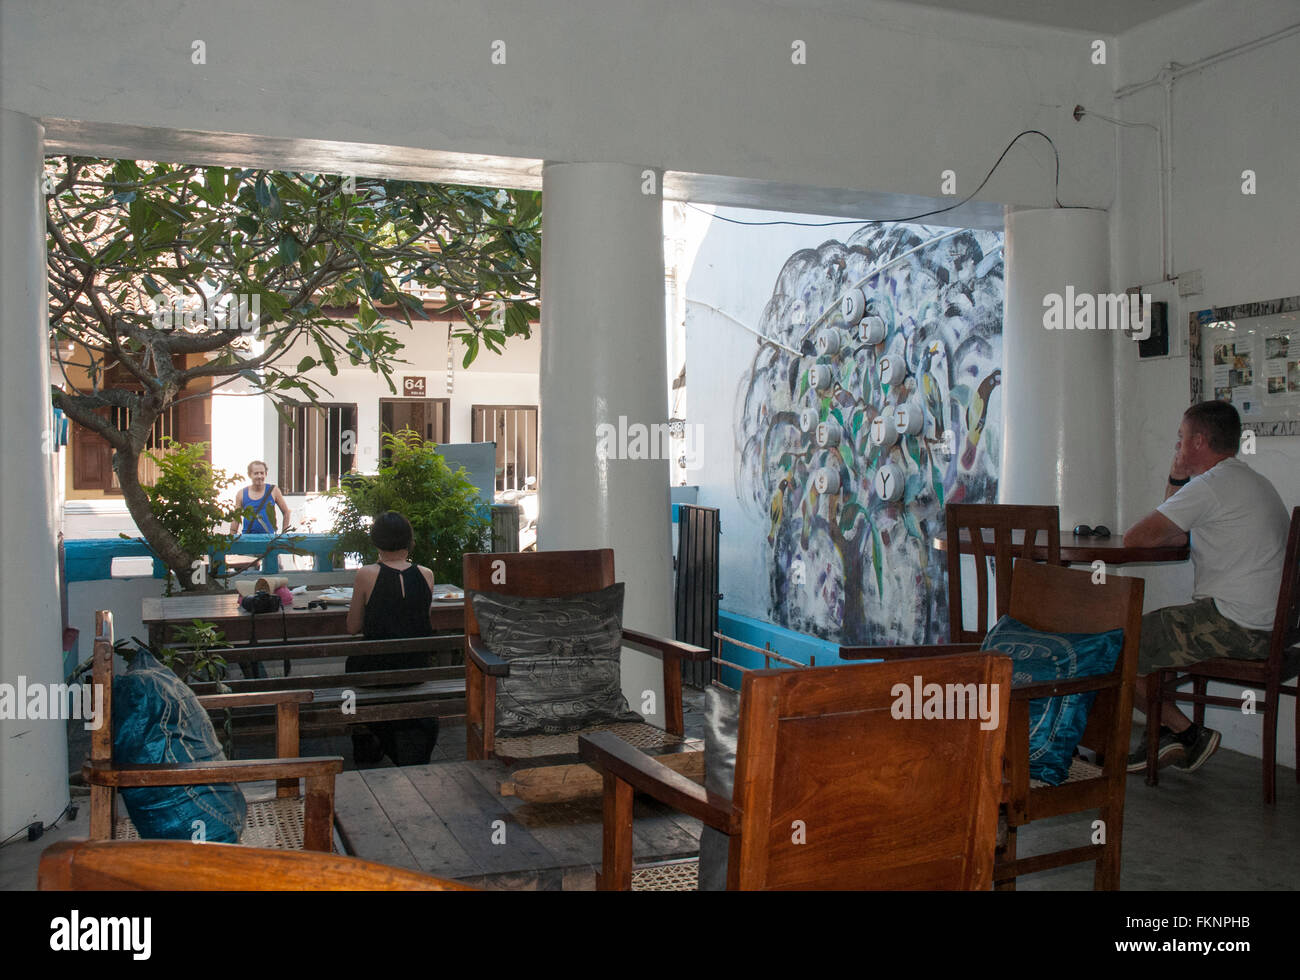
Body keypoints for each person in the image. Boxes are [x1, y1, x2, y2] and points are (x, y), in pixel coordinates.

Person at [1122, 401, 1289, 774]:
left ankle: (1186, 733)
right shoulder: (1248, 480)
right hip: (1271, 627)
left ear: (1199, 441)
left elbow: (1139, 537)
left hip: (1238, 627)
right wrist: (1179, 476)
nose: (1177, 448)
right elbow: (1169, 528)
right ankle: (1168, 734)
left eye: (1180, 439)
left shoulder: (1213, 486)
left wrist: (1178, 476)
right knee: (1146, 637)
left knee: (1119, 644)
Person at [344, 511, 440, 766]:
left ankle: (368, 734)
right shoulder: (426, 574)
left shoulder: (366, 574)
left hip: (375, 670)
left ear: (376, 541)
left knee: (350, 671)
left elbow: (352, 627)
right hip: (415, 668)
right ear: (409, 541)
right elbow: (419, 622)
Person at [230, 460, 291, 535]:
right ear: (249, 475)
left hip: (268, 539)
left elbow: (286, 512)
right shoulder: (241, 493)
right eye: (256, 473)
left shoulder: (273, 490)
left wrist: (284, 534)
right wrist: (231, 538)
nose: (259, 476)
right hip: (247, 538)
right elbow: (236, 518)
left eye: (262, 473)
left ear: (266, 474)